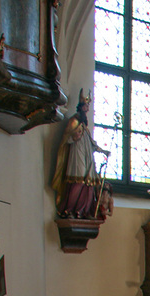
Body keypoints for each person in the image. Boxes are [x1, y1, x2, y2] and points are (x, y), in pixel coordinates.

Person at [51, 90, 110, 219]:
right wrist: (74, 137)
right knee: (77, 181)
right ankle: (69, 210)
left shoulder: (85, 126)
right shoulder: (73, 121)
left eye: (88, 106)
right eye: (85, 106)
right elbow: (66, 139)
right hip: (77, 156)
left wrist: (104, 151)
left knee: (89, 183)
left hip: (87, 157)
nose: (87, 109)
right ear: (80, 107)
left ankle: (83, 211)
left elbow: (92, 144)